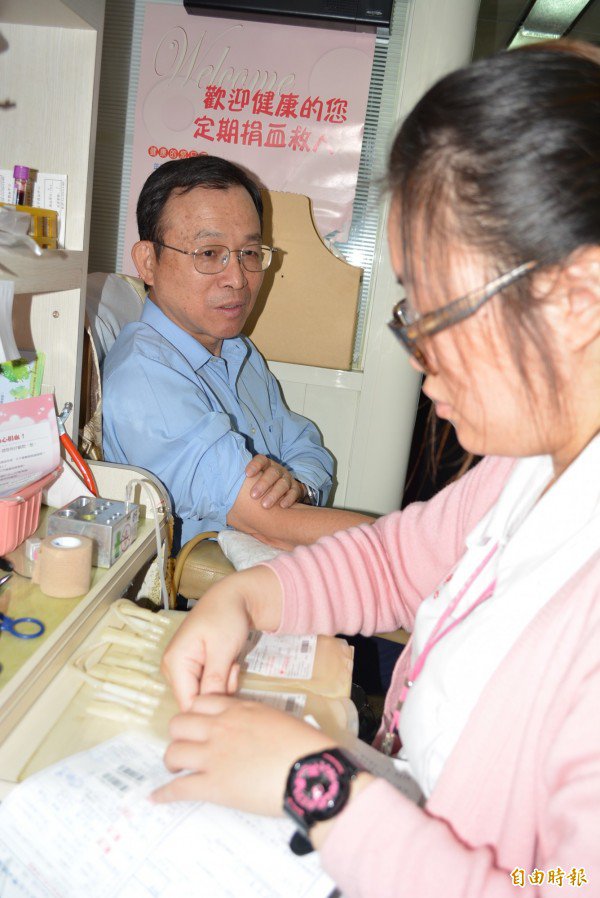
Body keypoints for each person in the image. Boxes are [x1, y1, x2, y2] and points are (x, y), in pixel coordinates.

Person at [153, 39, 600, 895]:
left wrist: (319, 789)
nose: (420, 361)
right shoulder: (530, 466)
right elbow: (398, 561)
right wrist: (243, 599)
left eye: (442, 313)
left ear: (578, 299)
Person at [102, 156, 369, 552]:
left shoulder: (236, 349)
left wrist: (298, 487)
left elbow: (305, 445)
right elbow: (272, 524)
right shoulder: (145, 377)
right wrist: (409, 544)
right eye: (209, 253)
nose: (238, 278)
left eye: (250, 252)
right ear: (148, 261)